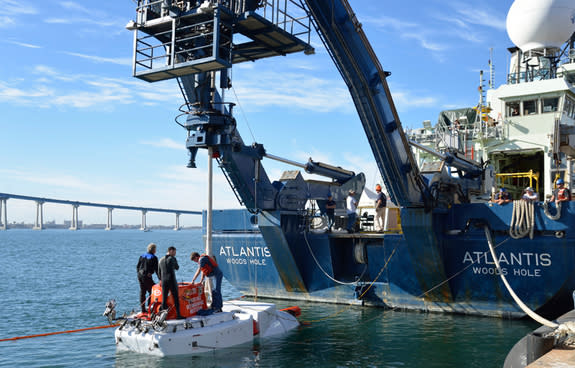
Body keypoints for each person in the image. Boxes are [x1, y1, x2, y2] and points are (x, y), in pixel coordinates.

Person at [158, 246, 184, 319]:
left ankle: (163, 317)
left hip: (163, 281)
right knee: (176, 298)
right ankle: (178, 315)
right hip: (171, 280)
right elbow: (177, 267)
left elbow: (159, 272)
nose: (175, 254)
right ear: (170, 251)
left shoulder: (161, 260)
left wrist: (161, 279)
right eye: (174, 252)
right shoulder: (172, 258)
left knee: (164, 299)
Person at [136, 243, 158, 313]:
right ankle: (149, 307)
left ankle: (143, 309)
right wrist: (160, 278)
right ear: (153, 249)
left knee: (142, 292)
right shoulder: (154, 257)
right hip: (146, 276)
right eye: (155, 249)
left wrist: (139, 273)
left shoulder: (142, 256)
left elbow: (137, 266)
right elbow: (156, 269)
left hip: (140, 275)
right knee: (152, 290)